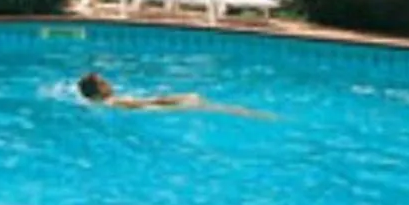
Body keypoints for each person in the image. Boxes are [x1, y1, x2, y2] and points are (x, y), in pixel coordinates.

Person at [77, 71, 272, 119]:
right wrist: (181, 99)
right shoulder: (115, 101)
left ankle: (256, 115)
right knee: (222, 109)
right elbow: (150, 103)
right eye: (103, 82)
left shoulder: (108, 103)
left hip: (163, 109)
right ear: (98, 91)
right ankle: (259, 115)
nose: (108, 82)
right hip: (171, 110)